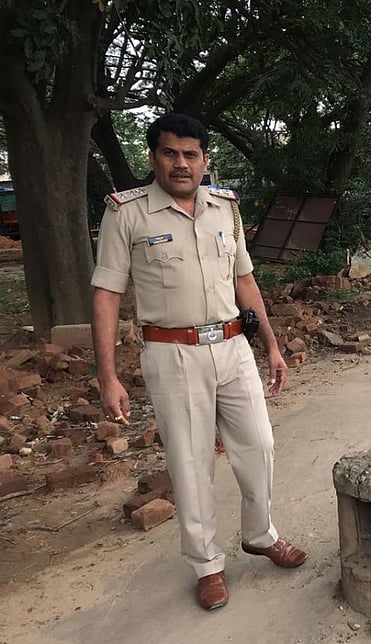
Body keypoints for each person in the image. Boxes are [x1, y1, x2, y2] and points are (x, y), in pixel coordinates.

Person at [91, 113, 307, 612]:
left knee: (259, 445)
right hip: (173, 354)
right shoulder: (128, 213)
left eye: (191, 155)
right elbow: (106, 293)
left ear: (205, 160)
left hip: (233, 347)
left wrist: (271, 346)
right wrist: (107, 376)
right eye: (170, 153)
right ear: (154, 158)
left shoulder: (225, 209)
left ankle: (259, 534)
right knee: (190, 464)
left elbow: (245, 281)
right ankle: (207, 564)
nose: (181, 163)